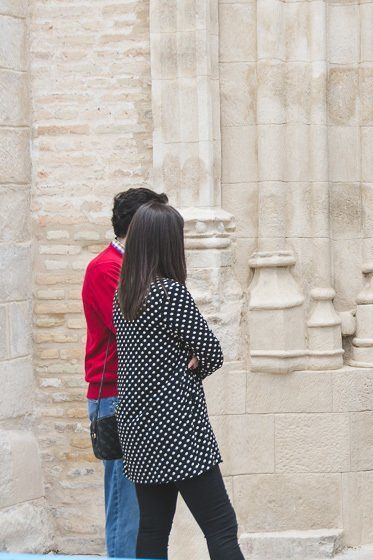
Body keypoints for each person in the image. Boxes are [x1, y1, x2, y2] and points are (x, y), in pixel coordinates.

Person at [114, 202, 244, 559]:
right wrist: (189, 368)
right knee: (221, 526)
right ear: (167, 243)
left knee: (153, 530)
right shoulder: (169, 293)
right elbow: (212, 352)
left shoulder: (123, 295)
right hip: (179, 429)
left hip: (138, 428)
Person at [82, 187, 168, 558]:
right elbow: (137, 328)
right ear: (137, 226)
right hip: (116, 396)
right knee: (126, 507)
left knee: (148, 507)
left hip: (139, 393)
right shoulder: (107, 269)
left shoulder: (135, 268)